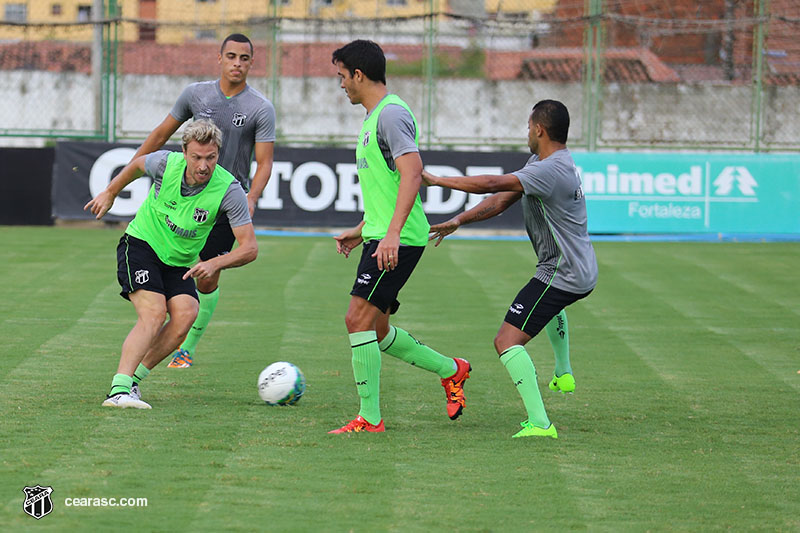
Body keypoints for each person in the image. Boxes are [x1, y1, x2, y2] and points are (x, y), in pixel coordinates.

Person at [422, 100, 598, 438]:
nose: (526, 132)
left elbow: (491, 184)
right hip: (577, 267)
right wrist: (460, 219)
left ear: (538, 129)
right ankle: (563, 372)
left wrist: (439, 180)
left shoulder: (550, 169)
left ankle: (540, 424)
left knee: (506, 340)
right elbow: (502, 198)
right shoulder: (547, 162)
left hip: (562, 271)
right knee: (548, 306)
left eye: (528, 126)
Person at [328, 39, 471, 434]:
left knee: (356, 319)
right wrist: (362, 231)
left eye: (342, 76)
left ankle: (369, 418)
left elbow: (413, 173)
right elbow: (387, 188)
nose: (340, 85)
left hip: (399, 240)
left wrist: (389, 235)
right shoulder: (374, 118)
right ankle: (452, 370)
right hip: (384, 236)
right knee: (375, 329)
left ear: (359, 74)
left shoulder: (390, 116)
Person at [84, 120, 258, 409]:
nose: (203, 165)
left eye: (211, 158)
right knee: (154, 313)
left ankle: (134, 382)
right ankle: (118, 390)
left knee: (186, 314)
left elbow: (250, 247)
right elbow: (138, 164)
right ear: (184, 152)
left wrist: (215, 264)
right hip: (142, 245)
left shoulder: (229, 189)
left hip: (179, 262)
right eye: (197, 157)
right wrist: (111, 192)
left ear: (218, 154)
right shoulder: (165, 163)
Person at [131, 33, 275, 368]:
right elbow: (161, 134)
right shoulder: (195, 94)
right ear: (219, 58)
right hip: (185, 196)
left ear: (252, 63)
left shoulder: (260, 108)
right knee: (172, 261)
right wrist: (132, 168)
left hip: (224, 203)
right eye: (231, 56)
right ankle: (160, 321)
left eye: (244, 58)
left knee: (206, 275)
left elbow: (265, 162)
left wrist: (251, 196)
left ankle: (187, 346)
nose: (237, 63)